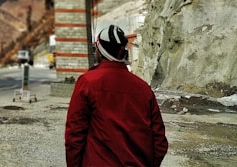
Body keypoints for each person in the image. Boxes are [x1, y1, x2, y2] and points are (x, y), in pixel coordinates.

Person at [65, 24, 168, 167]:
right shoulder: (144, 89)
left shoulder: (87, 82)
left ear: (99, 52)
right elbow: (159, 140)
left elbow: (74, 135)